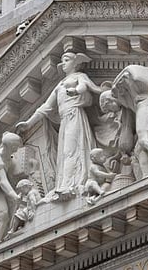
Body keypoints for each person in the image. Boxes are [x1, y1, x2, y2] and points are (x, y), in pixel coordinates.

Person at [14, 51, 101, 200]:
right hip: (65, 121)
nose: (64, 64)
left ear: (75, 63)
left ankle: (71, 185)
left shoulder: (79, 76)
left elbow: (85, 87)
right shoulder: (59, 86)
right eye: (63, 61)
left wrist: (75, 91)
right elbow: (45, 108)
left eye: (67, 60)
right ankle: (65, 184)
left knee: (71, 151)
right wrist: (28, 123)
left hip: (74, 115)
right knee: (64, 153)